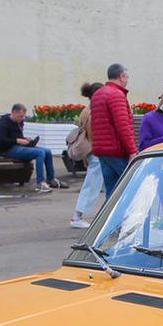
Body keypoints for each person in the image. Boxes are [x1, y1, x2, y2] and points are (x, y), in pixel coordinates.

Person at [90, 63, 137, 197]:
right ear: (121, 77)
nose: (127, 80)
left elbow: (94, 124)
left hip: (102, 150)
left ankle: (109, 217)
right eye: (127, 77)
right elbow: (123, 126)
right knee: (129, 187)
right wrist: (132, 151)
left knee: (111, 192)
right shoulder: (116, 95)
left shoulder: (98, 94)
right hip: (117, 151)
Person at [0, 103, 66, 192]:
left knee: (47, 151)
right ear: (14, 112)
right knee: (40, 153)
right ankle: (40, 183)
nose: (22, 119)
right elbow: (1, 140)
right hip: (9, 150)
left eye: (23, 116)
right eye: (20, 116)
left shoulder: (19, 122)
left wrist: (25, 139)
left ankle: (51, 179)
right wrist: (17, 141)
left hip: (19, 147)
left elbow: (18, 136)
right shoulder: (4, 122)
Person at [70, 81, 104, 229]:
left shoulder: (86, 110)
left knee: (98, 184)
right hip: (97, 153)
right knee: (92, 185)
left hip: (91, 153)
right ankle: (77, 216)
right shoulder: (94, 111)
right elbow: (92, 135)